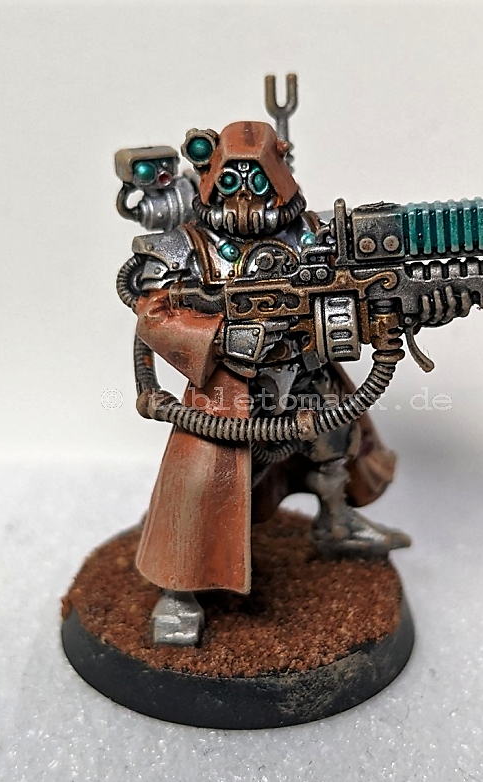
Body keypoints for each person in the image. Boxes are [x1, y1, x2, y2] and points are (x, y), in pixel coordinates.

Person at [118, 120, 409, 646]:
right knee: (203, 485)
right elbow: (153, 314)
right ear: (210, 180)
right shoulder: (186, 247)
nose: (245, 196)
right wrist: (221, 337)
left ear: (279, 175)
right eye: (230, 181)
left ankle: (335, 522)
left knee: (336, 445)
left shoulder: (312, 234)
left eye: (258, 180)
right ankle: (178, 590)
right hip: (228, 393)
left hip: (306, 371)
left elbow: (354, 283)